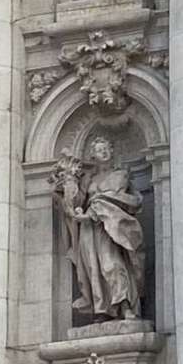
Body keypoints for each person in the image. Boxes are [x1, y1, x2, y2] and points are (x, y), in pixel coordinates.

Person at [57, 137, 145, 323]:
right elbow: (78, 202)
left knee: (111, 265)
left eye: (106, 148)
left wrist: (94, 209)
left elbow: (117, 199)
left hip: (110, 227)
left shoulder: (120, 174)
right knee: (92, 268)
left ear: (111, 151)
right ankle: (102, 309)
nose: (103, 152)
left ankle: (125, 305)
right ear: (93, 156)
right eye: (99, 150)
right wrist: (68, 189)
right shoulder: (89, 179)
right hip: (89, 229)